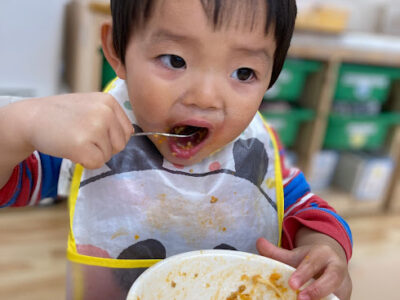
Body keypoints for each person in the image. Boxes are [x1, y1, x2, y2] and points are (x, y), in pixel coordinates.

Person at [0, 0, 353, 299]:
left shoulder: (253, 150)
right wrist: (18, 126)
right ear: (116, 50)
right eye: (174, 60)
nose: (205, 98)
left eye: (244, 72)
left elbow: (306, 208)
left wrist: (326, 248)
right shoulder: (93, 139)